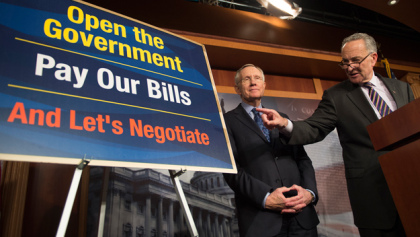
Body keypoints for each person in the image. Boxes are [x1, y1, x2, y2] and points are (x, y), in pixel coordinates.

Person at [258, 33, 414, 236]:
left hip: (412, 186)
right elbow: (314, 127)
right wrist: (284, 124)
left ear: (373, 58)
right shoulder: (336, 96)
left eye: (356, 61)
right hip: (374, 197)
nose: (350, 68)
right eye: (345, 63)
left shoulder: (402, 88)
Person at [223, 64, 319, 237]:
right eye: (247, 79)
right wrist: (266, 198)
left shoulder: (283, 119)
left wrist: (310, 193)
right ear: (237, 88)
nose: (253, 82)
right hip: (261, 222)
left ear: (264, 85)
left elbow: (303, 160)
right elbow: (231, 171)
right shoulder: (226, 121)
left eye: (257, 78)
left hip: (302, 218)